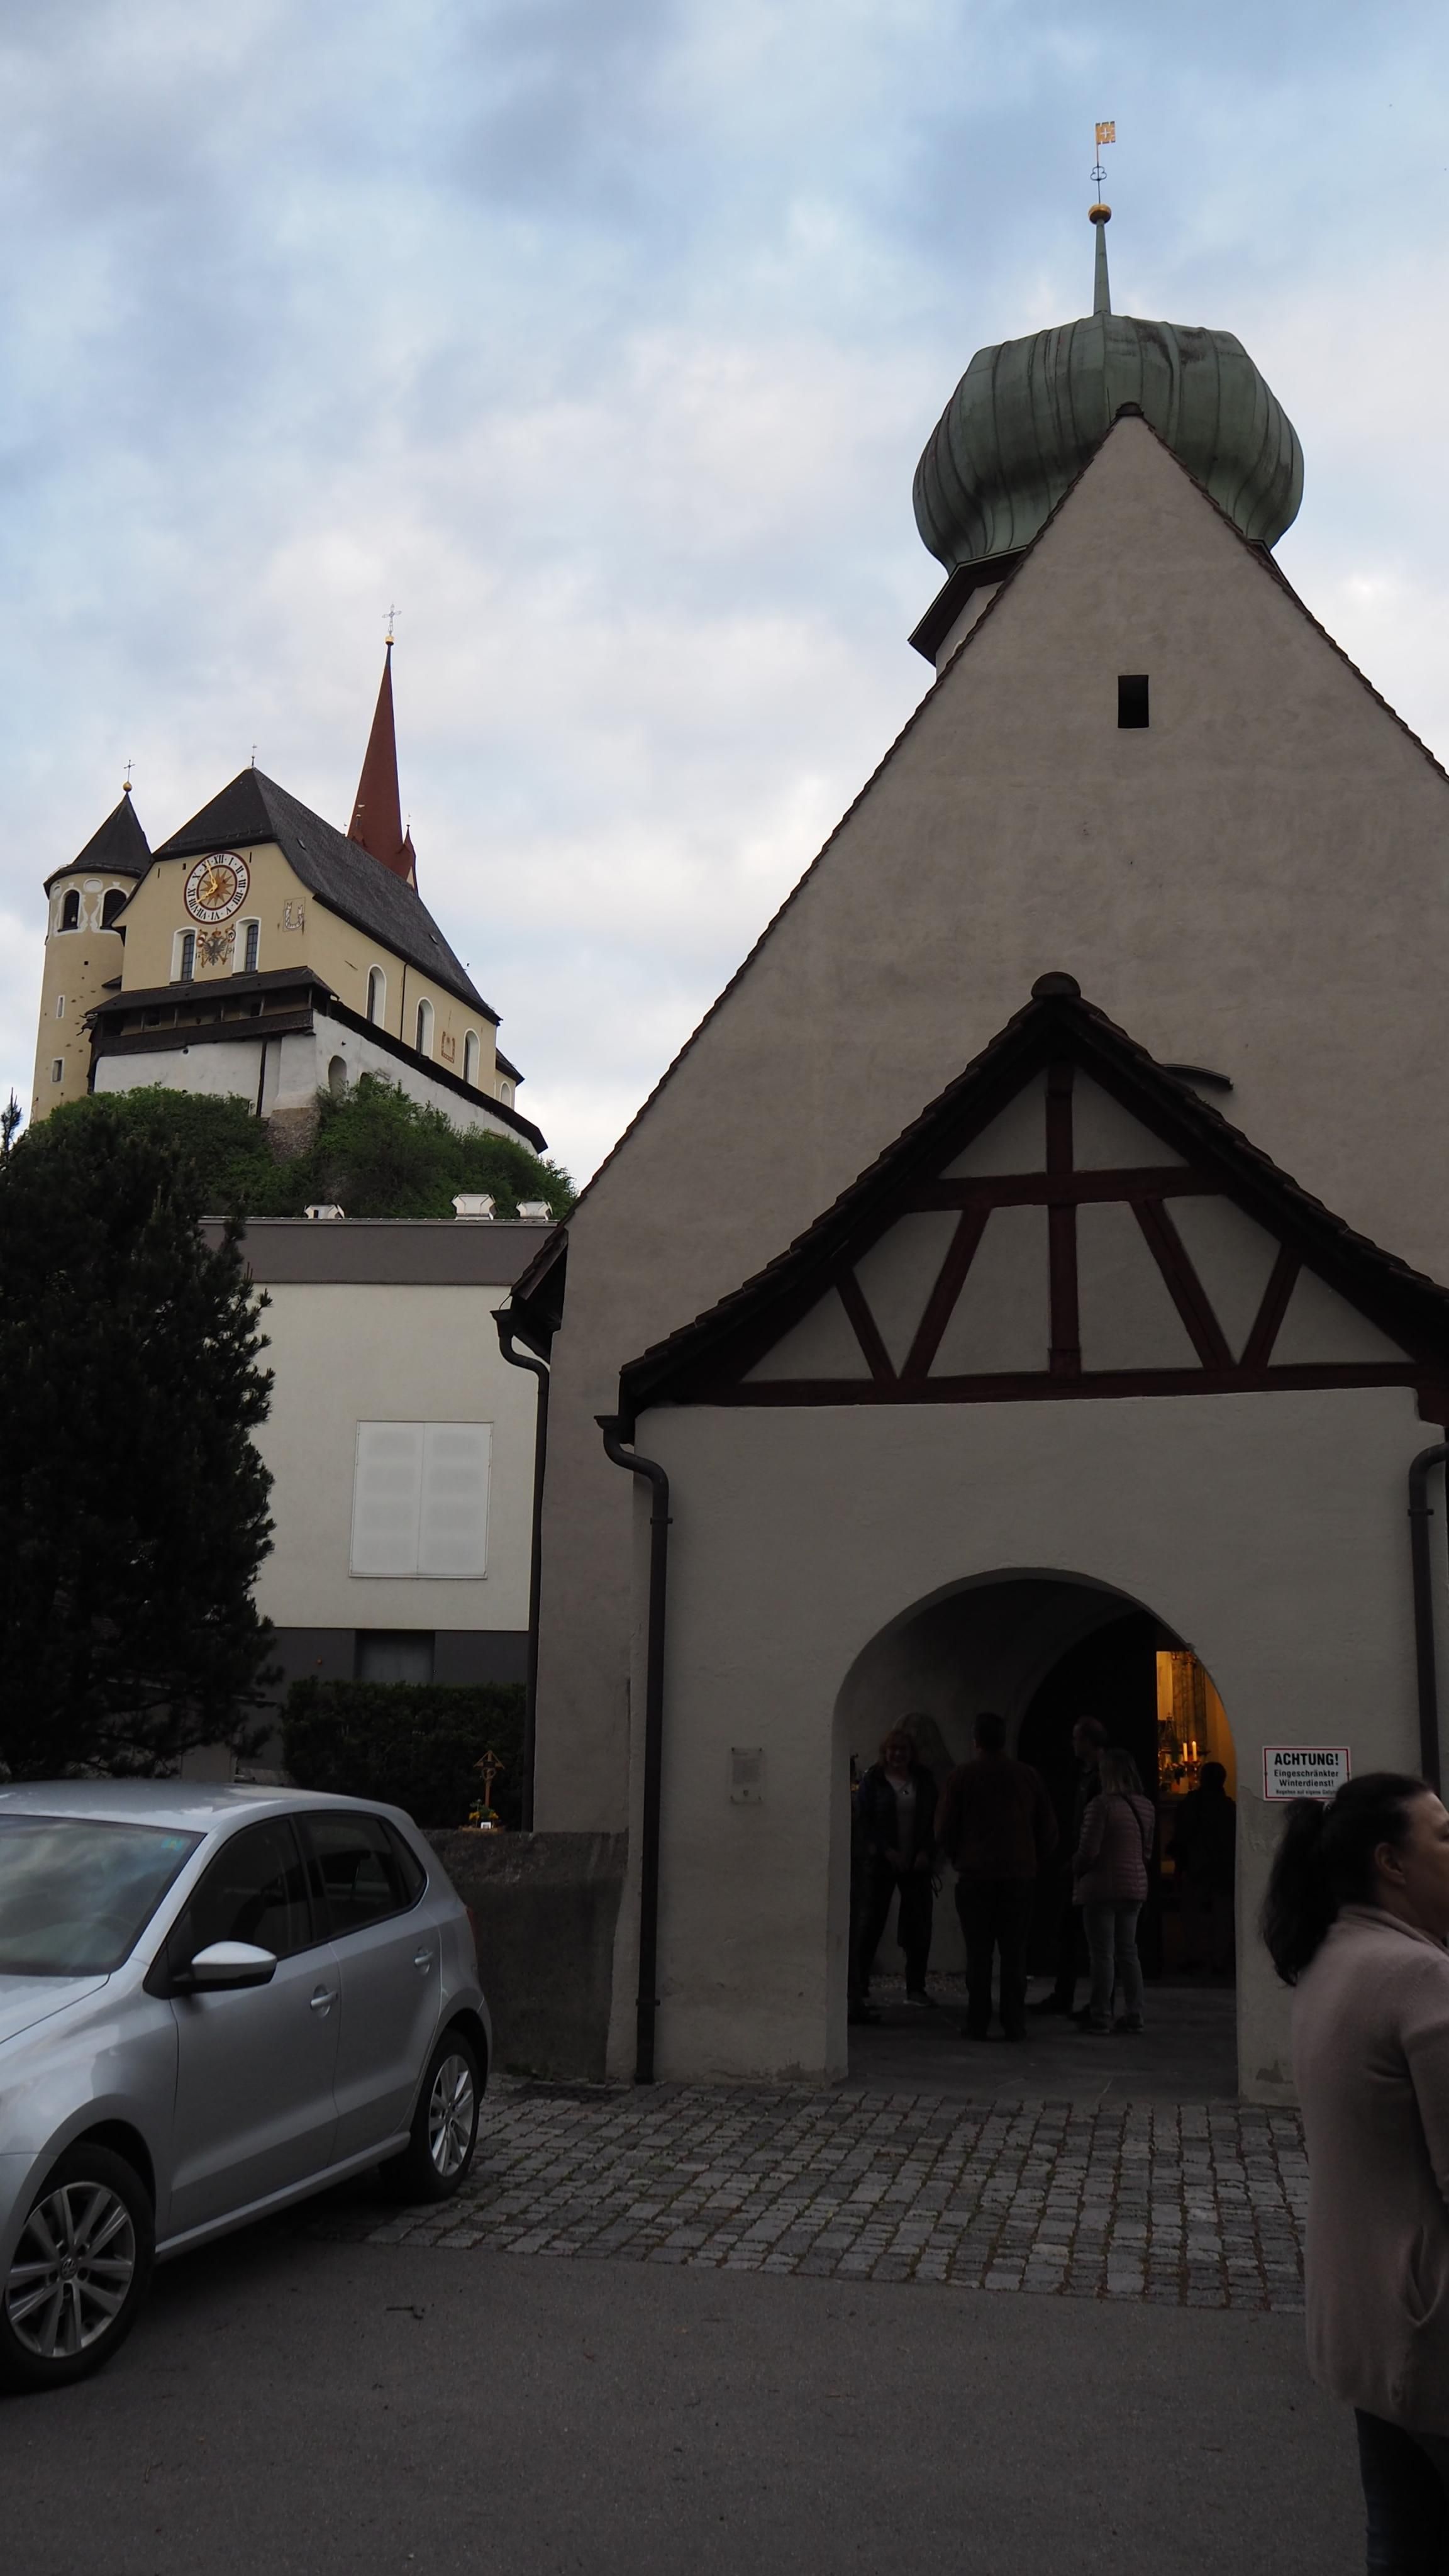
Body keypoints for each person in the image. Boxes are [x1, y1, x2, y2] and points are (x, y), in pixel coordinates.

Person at [1262, 1772, 1449, 2570]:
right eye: (1444, 1836)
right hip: (1430, 2320)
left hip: (1369, 2316)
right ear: (1391, 1862)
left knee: (1402, 2541)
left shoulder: (1333, 1955)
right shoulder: (1418, 1976)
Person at [936, 1713, 1057, 2041]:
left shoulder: (963, 1777)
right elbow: (1047, 1829)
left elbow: (945, 1827)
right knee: (1015, 1953)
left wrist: (958, 1856)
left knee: (979, 1954)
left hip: (975, 1876)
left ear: (976, 1740)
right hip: (1018, 1876)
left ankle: (977, 2021)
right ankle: (1014, 2022)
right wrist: (1030, 1858)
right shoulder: (1027, 1777)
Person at [853, 1724, 939, 2007]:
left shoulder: (923, 1780)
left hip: (916, 1863)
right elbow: (864, 1820)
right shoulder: (874, 1780)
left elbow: (935, 1818)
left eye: (903, 1749)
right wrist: (886, 1851)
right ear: (885, 1752)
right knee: (871, 1923)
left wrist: (926, 1851)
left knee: (918, 1926)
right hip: (882, 1862)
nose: (898, 1754)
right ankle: (859, 1985)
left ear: (911, 1752)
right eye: (893, 1749)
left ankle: (916, 1987)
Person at [1073, 1748, 1155, 2034]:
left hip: (1102, 1889)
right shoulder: (1146, 1807)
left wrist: (1074, 1869)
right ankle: (1135, 2013)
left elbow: (1089, 1851)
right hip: (1134, 1887)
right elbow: (1147, 1851)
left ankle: (1100, 2015)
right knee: (1128, 1951)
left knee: (1102, 1954)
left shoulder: (1101, 1806)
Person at [1028, 1716, 1106, 2016]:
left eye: (1077, 1738)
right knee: (1070, 1933)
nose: (1073, 1744)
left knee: (1097, 1939)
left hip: (1094, 1864)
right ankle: (1065, 1994)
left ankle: (1098, 2002)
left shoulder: (1102, 1776)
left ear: (1088, 1741)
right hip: (1079, 1859)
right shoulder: (1084, 1775)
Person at [1170, 1760, 1236, 1975]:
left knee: (1192, 1913)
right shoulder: (1229, 1807)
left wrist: (1180, 1865)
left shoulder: (1192, 1804)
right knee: (1222, 1914)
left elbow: (1182, 1835)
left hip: (1196, 1864)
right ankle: (1219, 1958)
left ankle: (1195, 1955)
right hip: (1222, 1867)